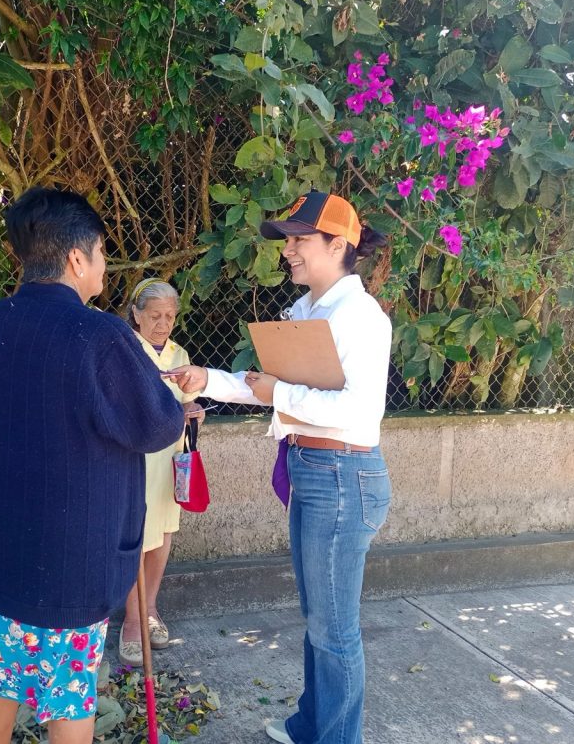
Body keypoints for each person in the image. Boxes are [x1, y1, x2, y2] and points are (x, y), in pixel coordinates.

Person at [0, 187, 185, 744]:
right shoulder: (100, 335)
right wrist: (166, 393)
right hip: (69, 557)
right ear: (77, 258)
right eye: (100, 251)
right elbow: (157, 426)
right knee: (69, 692)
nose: (103, 264)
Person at [171, 191, 392, 744]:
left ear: (337, 245)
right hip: (315, 470)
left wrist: (282, 393)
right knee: (319, 619)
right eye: (287, 239)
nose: (288, 249)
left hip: (342, 476)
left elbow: (358, 410)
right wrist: (207, 380)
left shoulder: (360, 316)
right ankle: (312, 726)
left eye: (299, 238)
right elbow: (266, 388)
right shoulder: (309, 310)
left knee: (334, 629)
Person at [117, 278, 206, 666]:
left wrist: (194, 411)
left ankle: (150, 608)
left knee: (164, 533)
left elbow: (189, 400)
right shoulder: (124, 350)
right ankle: (132, 622)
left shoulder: (177, 352)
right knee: (137, 537)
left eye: (170, 316)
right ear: (136, 315)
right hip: (137, 460)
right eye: (155, 315)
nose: (163, 324)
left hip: (170, 459)